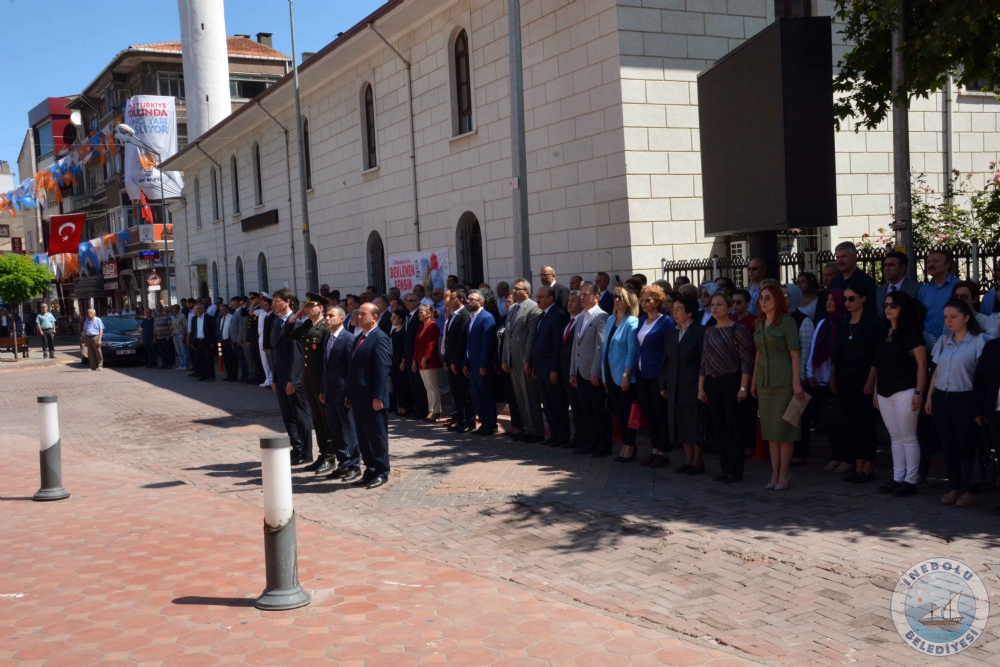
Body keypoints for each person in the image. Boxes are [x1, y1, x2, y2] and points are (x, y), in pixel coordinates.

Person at [926, 299, 991, 507]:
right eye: (946, 317)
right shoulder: (944, 341)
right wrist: (929, 397)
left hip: (965, 399)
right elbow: (936, 371)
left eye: (953, 316)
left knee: (967, 446)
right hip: (943, 399)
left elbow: (985, 375)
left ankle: (971, 489)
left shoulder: (980, 341)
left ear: (966, 317)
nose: (949, 321)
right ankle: (955, 487)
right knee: (948, 445)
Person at [872, 291, 928, 496]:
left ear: (902, 308)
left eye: (893, 305)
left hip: (906, 389)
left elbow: (922, 364)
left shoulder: (911, 331)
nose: (888, 308)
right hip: (884, 391)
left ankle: (911, 481)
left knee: (908, 436)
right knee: (895, 436)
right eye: (886, 304)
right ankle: (897, 478)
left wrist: (919, 392)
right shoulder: (882, 331)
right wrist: (876, 391)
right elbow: (878, 364)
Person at [752, 284, 805, 491]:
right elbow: (758, 354)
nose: (763, 302)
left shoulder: (788, 323)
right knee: (771, 431)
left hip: (784, 382)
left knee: (784, 430)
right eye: (761, 298)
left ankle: (784, 474)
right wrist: (754, 380)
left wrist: (796, 383)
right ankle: (774, 473)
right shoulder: (759, 323)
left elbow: (794, 354)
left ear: (778, 301)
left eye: (768, 298)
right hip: (765, 382)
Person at [699, 292, 755, 483]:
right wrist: (701, 388)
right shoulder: (709, 330)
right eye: (713, 304)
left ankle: (735, 470)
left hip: (732, 381)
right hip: (713, 383)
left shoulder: (738, 329)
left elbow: (747, 360)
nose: (714, 308)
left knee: (734, 426)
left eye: (719, 304)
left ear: (729, 308)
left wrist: (743, 387)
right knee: (719, 426)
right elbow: (704, 362)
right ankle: (724, 468)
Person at [831, 286, 881, 483]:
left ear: (863, 298)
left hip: (863, 378)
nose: (848, 303)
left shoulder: (872, 322)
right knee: (850, 422)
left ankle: (868, 467)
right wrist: (833, 377)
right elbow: (836, 352)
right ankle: (858, 465)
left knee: (865, 423)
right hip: (845, 378)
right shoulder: (843, 321)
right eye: (845, 299)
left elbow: (876, 354)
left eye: (852, 298)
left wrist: (871, 379)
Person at [345, 303, 392, 488]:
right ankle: (370, 469)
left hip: (372, 397)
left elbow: (382, 370)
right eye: (358, 314)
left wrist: (378, 397)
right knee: (363, 436)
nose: (358, 317)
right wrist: (349, 393)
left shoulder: (380, 338)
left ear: (375, 317)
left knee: (377, 436)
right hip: (358, 397)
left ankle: (382, 471)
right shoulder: (359, 338)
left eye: (363, 314)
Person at [283, 293, 332, 473]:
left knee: (326, 421)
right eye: (306, 305)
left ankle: (330, 456)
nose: (307, 308)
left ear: (321, 308)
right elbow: (288, 335)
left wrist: (325, 386)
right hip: (309, 381)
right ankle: (323, 454)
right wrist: (294, 317)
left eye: (311, 306)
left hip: (320, 382)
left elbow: (328, 361)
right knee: (317, 421)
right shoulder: (306, 325)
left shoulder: (325, 328)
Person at [660, 293, 705, 474]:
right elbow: (666, 361)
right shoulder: (671, 332)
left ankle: (698, 460)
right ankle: (688, 459)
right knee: (680, 423)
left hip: (693, 384)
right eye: (673, 309)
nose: (675, 312)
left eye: (679, 309)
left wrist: (702, 386)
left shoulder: (700, 331)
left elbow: (704, 361)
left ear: (690, 312)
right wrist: (663, 384)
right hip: (675, 385)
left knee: (694, 423)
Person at [269, 289, 313, 465]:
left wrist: (293, 380)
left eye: (277, 301)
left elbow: (297, 355)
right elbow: (276, 353)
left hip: (292, 378)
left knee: (300, 415)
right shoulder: (276, 321)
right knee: (288, 416)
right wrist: (274, 377)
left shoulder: (295, 324)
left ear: (287, 302)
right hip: (281, 376)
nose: (274, 304)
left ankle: (306, 451)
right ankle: (296, 447)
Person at [320, 305, 361, 482]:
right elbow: (326, 368)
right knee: (335, 430)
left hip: (343, 392)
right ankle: (343, 463)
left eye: (331, 316)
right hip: (330, 392)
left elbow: (352, 369)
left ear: (341, 319)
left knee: (349, 429)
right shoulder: (327, 338)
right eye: (326, 316)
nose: (327, 319)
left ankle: (354, 465)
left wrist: (350, 394)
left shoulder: (348, 339)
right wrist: (323, 390)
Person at [635, 285, 674, 468]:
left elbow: (669, 350)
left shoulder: (666, 322)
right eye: (643, 299)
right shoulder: (642, 320)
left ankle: (664, 453)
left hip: (657, 374)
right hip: (642, 372)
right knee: (650, 413)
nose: (644, 303)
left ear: (658, 301)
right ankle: (655, 450)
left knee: (660, 413)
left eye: (648, 300)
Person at [571, 283, 612, 456]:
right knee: (586, 410)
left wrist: (596, 371)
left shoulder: (602, 317)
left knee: (599, 411)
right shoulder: (580, 318)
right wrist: (572, 371)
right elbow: (575, 346)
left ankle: (604, 445)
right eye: (582, 294)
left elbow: (599, 346)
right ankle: (590, 442)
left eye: (586, 295)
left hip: (592, 373)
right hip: (580, 372)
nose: (582, 297)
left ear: (597, 297)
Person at [502, 279, 543, 442]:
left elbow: (531, 337)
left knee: (530, 397)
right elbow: (507, 336)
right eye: (513, 288)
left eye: (517, 288)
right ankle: (526, 428)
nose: (513, 290)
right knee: (519, 396)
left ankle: (537, 430)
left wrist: (528, 360)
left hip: (523, 359)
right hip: (512, 360)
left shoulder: (533, 308)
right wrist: (505, 359)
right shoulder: (512, 309)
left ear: (526, 292)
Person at [602, 287, 640, 462]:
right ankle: (625, 444)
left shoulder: (632, 322)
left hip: (624, 377)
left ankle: (630, 445)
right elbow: (605, 350)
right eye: (616, 297)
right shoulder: (610, 320)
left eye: (621, 298)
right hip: (610, 375)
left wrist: (626, 376)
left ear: (628, 302)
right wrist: (604, 376)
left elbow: (632, 352)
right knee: (618, 412)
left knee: (627, 413)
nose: (616, 300)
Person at [531, 285, 570, 445]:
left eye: (541, 297)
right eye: (537, 296)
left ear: (551, 299)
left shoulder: (558, 316)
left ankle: (562, 436)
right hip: (540, 369)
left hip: (551, 370)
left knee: (558, 404)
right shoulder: (543, 315)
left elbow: (556, 346)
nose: (537, 299)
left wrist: (554, 369)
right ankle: (553, 433)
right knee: (547, 405)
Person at [464, 289, 497, 435]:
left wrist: (483, 365)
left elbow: (487, 344)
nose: (468, 301)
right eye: (468, 299)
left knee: (487, 395)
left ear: (480, 302)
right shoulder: (471, 318)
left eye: (471, 299)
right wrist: (466, 362)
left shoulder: (486, 317)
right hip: (472, 364)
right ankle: (483, 422)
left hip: (482, 365)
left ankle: (491, 424)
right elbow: (469, 342)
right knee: (477, 395)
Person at [443, 290, 474, 433]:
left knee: (465, 393)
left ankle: (470, 421)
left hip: (460, 362)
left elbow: (461, 341)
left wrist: (455, 361)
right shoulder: (452, 316)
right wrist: (446, 360)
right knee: (456, 394)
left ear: (461, 300)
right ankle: (460, 420)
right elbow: (448, 341)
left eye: (453, 298)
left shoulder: (464, 315)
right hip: (451, 362)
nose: (449, 300)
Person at [918, 249, 960, 348]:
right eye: (928, 262)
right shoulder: (924, 289)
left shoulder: (958, 286)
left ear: (947, 264)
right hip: (927, 343)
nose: (931, 264)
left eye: (936, 261)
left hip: (952, 342)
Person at [560, 291, 584, 448]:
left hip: (578, 372)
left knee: (581, 407)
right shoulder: (567, 321)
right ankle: (577, 436)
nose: (569, 303)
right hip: (566, 371)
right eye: (568, 300)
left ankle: (583, 437)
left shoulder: (582, 321)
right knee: (574, 407)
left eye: (573, 300)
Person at [830, 242, 877, 317]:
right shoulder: (835, 282)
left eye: (844, 256)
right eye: (838, 257)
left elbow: (870, 308)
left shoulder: (865, 281)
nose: (840, 261)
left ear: (854, 257)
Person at [414, 304, 443, 422]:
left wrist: (426, 357)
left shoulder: (433, 326)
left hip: (429, 360)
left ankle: (436, 411)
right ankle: (431, 409)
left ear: (429, 313)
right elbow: (416, 345)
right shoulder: (421, 326)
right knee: (427, 387)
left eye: (421, 312)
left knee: (433, 386)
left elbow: (431, 344)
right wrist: (414, 360)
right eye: (418, 313)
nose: (419, 315)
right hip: (420, 360)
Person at [390, 309, 410, 417]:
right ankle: (400, 406)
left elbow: (404, 348)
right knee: (396, 384)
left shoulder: (403, 332)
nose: (392, 320)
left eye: (394, 318)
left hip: (402, 360)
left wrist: (403, 361)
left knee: (403, 384)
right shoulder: (393, 331)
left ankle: (405, 406)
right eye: (391, 317)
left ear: (400, 319)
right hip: (394, 360)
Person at [190, 303, 217, 381]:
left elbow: (213, 331)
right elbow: (193, 331)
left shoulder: (209, 318)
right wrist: (192, 341)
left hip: (206, 341)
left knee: (208, 358)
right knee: (199, 359)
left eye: (199, 308)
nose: (198, 310)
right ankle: (202, 375)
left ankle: (211, 375)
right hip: (198, 341)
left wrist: (212, 342)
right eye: (196, 309)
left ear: (203, 309)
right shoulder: (194, 319)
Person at [227, 298, 248, 380]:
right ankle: (243, 374)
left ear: (239, 302)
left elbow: (241, 327)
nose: (232, 304)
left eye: (233, 302)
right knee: (239, 358)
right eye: (231, 302)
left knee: (242, 358)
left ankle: (245, 375)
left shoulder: (241, 312)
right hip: (234, 339)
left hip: (238, 339)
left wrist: (239, 338)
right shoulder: (234, 312)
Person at [171, 304, 189, 370]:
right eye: (173, 308)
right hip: (175, 335)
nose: (174, 310)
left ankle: (185, 365)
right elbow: (173, 327)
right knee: (179, 352)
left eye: (176, 308)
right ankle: (181, 365)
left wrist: (185, 337)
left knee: (184, 351)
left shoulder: (182, 316)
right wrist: (172, 336)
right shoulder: (173, 317)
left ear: (179, 309)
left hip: (181, 335)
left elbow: (185, 326)